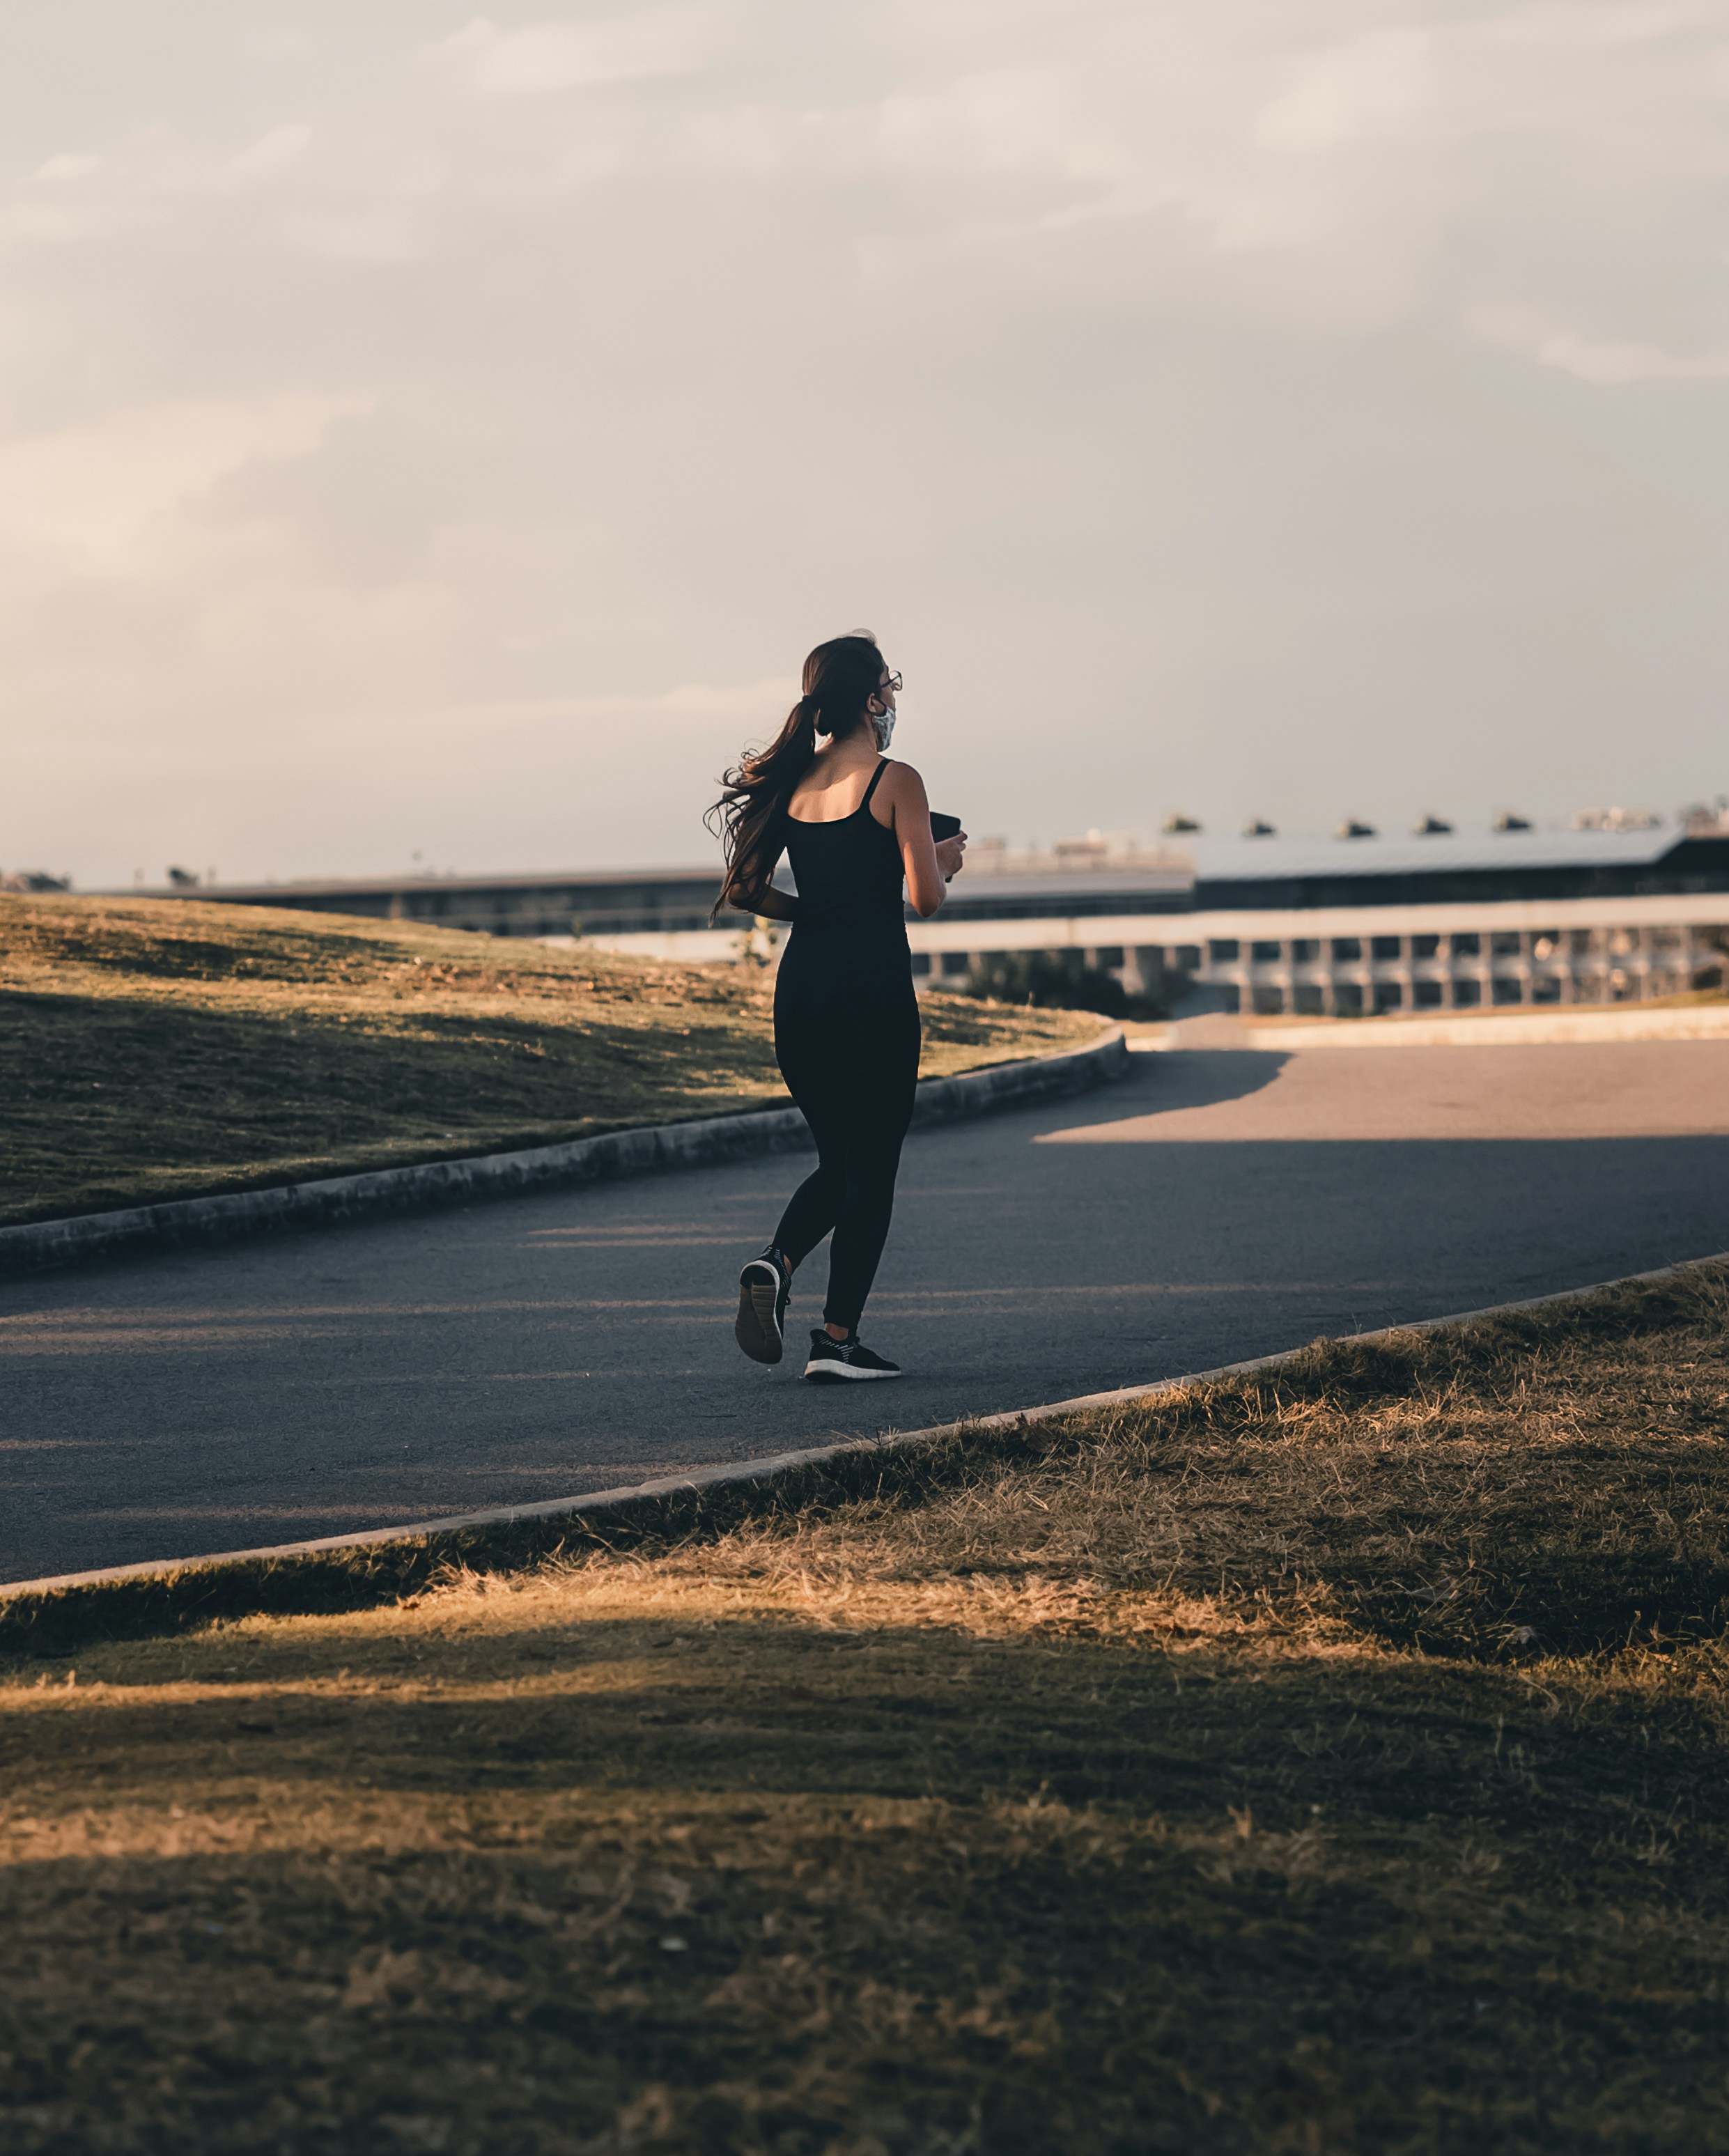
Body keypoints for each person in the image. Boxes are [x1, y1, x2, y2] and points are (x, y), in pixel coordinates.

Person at [708, 632, 966, 1381]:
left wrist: (819, 908)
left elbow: (747, 889)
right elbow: (924, 897)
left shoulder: (792, 781)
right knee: (871, 1166)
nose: (892, 698)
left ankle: (777, 1260)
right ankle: (836, 1339)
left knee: (838, 1159)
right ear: (869, 698)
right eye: (888, 684)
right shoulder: (897, 778)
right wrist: (941, 863)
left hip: (802, 994)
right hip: (871, 992)